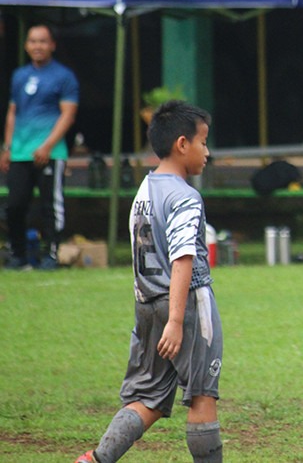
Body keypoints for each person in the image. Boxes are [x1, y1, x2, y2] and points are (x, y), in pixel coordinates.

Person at [77, 101, 222, 463]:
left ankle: (96, 459)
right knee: (202, 394)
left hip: (146, 304)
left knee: (149, 397)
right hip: (185, 304)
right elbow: (183, 258)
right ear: (182, 144)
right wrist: (175, 320)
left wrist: (157, 314)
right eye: (203, 142)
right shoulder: (185, 196)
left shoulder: (145, 190)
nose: (208, 152)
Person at [2, 23, 79, 270]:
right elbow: (12, 113)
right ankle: (18, 255)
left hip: (51, 152)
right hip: (21, 151)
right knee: (14, 204)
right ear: (26, 45)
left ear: (52, 45)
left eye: (43, 41)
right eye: (33, 41)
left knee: (51, 206)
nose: (38, 46)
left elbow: (68, 115)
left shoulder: (64, 76)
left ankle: (51, 255)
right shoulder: (20, 75)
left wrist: (47, 146)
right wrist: (7, 146)